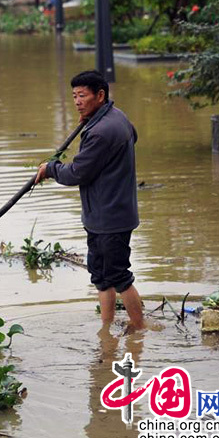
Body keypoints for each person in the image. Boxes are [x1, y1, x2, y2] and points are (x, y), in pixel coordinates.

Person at [35, 70, 144, 330]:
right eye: (74, 96)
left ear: (100, 95)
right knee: (100, 275)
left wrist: (51, 169)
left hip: (111, 216)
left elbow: (77, 172)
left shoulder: (102, 131)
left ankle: (140, 328)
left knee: (118, 275)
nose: (77, 101)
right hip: (101, 214)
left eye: (82, 95)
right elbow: (133, 137)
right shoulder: (116, 118)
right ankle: (106, 328)